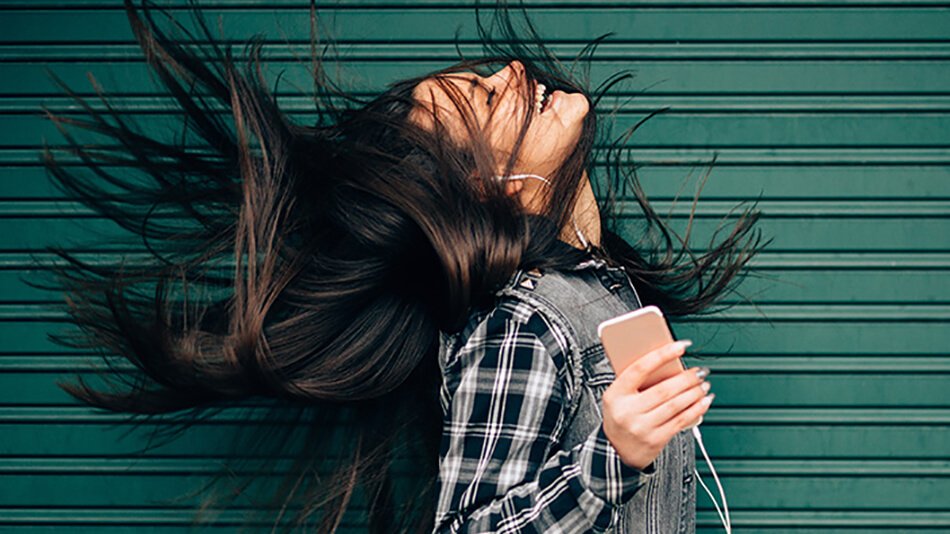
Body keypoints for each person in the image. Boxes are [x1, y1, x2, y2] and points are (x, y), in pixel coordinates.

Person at [33, 1, 767, 532]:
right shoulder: (519, 322)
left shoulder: (594, 291)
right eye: (483, 98)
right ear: (480, 187)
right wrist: (612, 457)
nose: (512, 71)